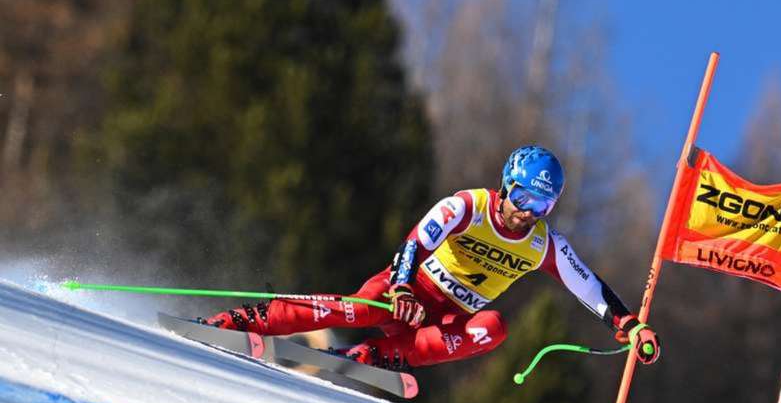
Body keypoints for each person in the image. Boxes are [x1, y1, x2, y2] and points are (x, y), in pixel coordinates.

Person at [205, 145, 660, 371]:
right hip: (408, 290)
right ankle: (242, 321)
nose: (526, 212)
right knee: (362, 308)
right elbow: (414, 243)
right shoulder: (468, 206)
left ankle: (369, 357)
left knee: (493, 328)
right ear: (507, 185)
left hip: (444, 318)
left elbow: (589, 287)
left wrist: (629, 324)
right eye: (522, 197)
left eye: (541, 206)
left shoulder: (544, 244)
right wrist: (403, 287)